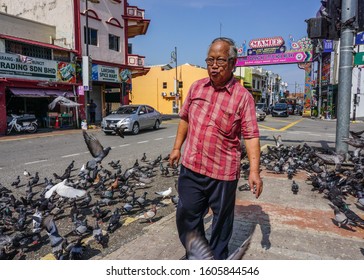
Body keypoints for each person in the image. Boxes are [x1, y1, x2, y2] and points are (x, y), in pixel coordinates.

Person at [169, 37, 263, 260]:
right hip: (191, 166)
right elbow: (184, 119)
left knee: (221, 222)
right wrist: (176, 148)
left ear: (233, 63)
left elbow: (250, 135)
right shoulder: (196, 87)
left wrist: (254, 171)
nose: (213, 65)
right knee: (186, 215)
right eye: (210, 59)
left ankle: (218, 261)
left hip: (222, 173)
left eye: (220, 60)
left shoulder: (243, 97)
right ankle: (198, 255)